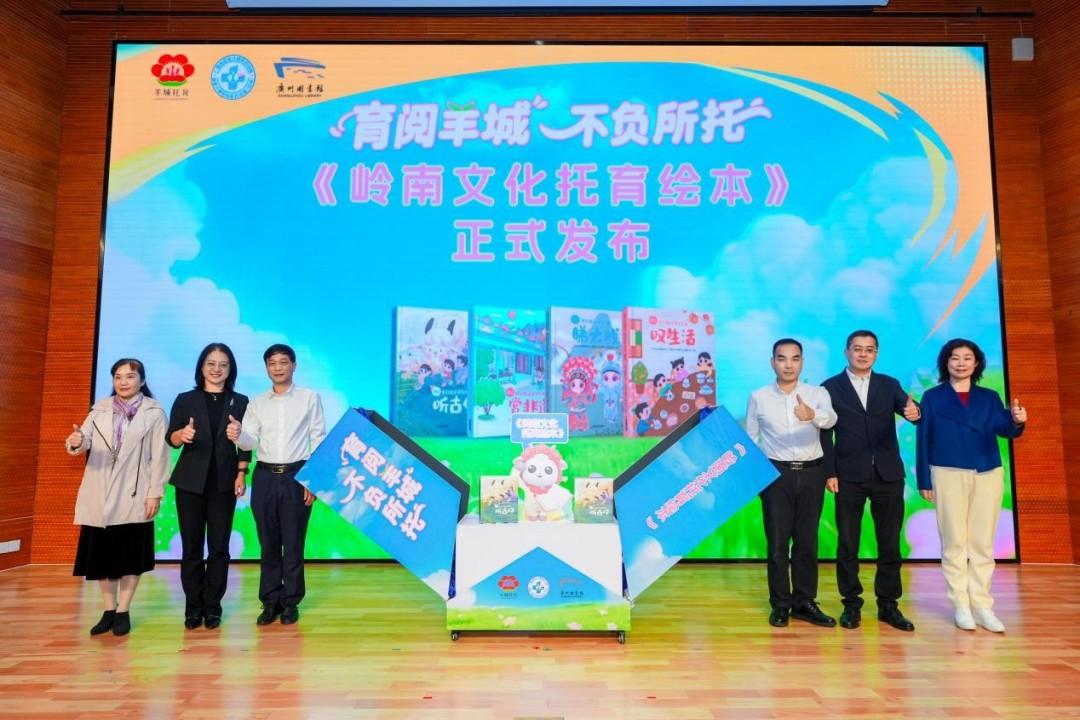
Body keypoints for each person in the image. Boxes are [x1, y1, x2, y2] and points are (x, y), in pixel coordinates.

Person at [916, 338, 1026, 633]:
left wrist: (1017, 420)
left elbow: (1005, 429)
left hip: (987, 471)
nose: (961, 363)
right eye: (955, 357)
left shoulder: (989, 397)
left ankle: (982, 605)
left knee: (982, 542)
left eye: (967, 358)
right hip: (947, 471)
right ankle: (961, 605)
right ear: (946, 362)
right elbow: (923, 439)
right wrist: (924, 479)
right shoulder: (932, 397)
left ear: (976, 363)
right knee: (954, 541)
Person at [821, 330, 921, 632]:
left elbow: (912, 412)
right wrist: (829, 472)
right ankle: (851, 605)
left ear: (876, 353)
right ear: (846, 352)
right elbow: (824, 433)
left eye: (869, 349)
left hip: (888, 475)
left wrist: (916, 413)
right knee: (847, 544)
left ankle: (888, 606)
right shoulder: (829, 387)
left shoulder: (889, 385)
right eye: (857, 349)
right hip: (847, 476)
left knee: (889, 544)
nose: (863, 354)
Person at [66, 358, 168, 637]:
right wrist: (76, 442)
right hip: (100, 491)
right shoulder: (99, 410)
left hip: (134, 492)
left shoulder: (154, 412)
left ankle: (124, 610)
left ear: (142, 381)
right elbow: (83, 438)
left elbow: (160, 456)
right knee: (102, 557)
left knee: (130, 556)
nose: (123, 382)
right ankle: (108, 609)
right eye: (118, 377)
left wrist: (155, 493)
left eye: (130, 376)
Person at [229, 344, 325, 626]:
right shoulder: (257, 403)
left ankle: (291, 602)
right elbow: (250, 441)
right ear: (266, 368)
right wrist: (238, 435)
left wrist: (313, 480)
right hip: (265, 476)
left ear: (294, 365)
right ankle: (270, 601)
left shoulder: (309, 398)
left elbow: (319, 437)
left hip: (297, 474)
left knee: (293, 542)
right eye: (272, 363)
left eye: (283, 362)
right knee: (268, 542)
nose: (278, 367)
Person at [746, 339, 838, 628]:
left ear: (802, 362)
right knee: (777, 544)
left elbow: (831, 419)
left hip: (812, 473)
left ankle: (804, 602)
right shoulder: (759, 397)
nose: (788, 365)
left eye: (795, 358)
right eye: (782, 358)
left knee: (807, 542)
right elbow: (751, 439)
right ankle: (780, 604)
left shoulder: (817, 393)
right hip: (777, 475)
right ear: (772, 362)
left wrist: (813, 415)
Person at [166, 343, 251, 630]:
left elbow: (246, 444)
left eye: (223, 364)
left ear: (230, 370)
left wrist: (241, 473)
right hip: (190, 482)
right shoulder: (185, 399)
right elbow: (171, 438)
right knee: (191, 547)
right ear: (201, 367)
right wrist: (181, 434)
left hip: (223, 484)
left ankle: (213, 607)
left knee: (219, 548)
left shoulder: (240, 401)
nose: (217, 369)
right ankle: (193, 607)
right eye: (211, 363)